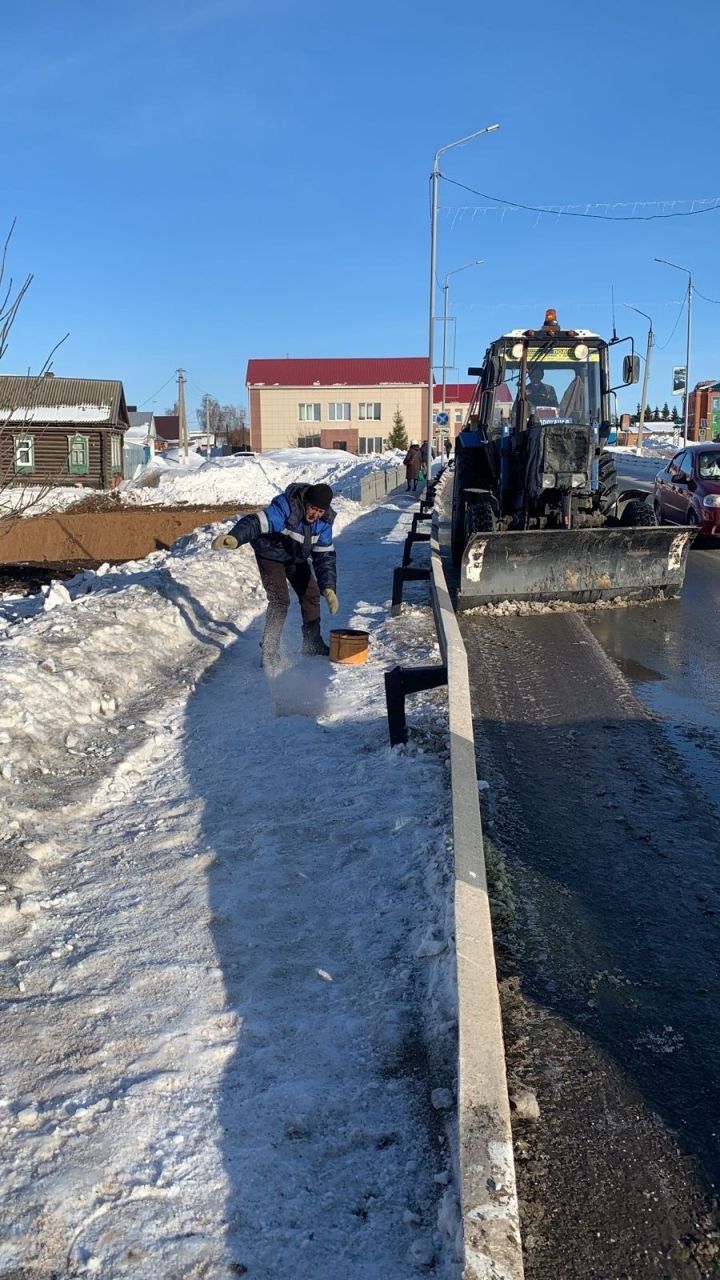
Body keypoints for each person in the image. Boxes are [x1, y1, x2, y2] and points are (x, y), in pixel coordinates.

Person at [212, 482, 339, 670]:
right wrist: (236, 537)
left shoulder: (324, 522)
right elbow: (255, 522)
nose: (315, 515)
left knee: (310, 594)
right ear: (306, 503)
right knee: (280, 600)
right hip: (270, 553)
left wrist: (328, 587)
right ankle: (269, 651)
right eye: (313, 508)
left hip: (295, 557)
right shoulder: (286, 507)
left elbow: (324, 555)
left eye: (320, 511)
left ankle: (312, 643)